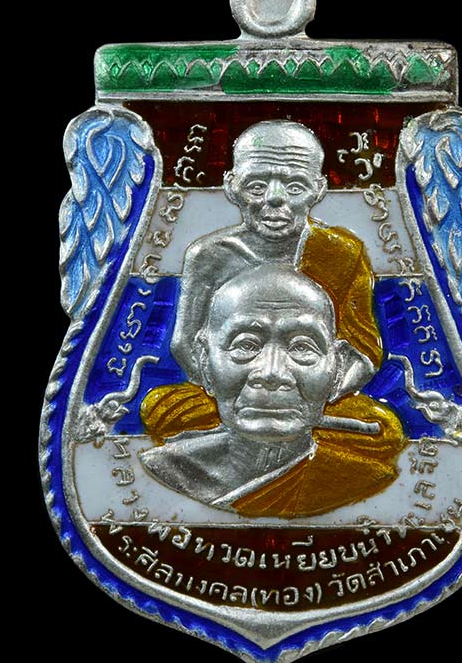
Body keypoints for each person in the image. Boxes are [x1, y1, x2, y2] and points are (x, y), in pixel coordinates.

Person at [142, 120, 387, 442]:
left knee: (384, 429)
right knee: (162, 412)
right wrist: (230, 390)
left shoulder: (340, 253)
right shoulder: (209, 255)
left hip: (310, 390)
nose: (274, 199)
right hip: (232, 389)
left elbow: (364, 351)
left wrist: (315, 396)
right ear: (232, 186)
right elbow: (185, 344)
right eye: (256, 186)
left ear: (318, 189)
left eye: (295, 187)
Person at [140, 265, 405, 517]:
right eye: (246, 346)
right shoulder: (169, 469)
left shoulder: (362, 479)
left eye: (302, 347)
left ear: (339, 368)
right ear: (204, 362)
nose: (271, 373)